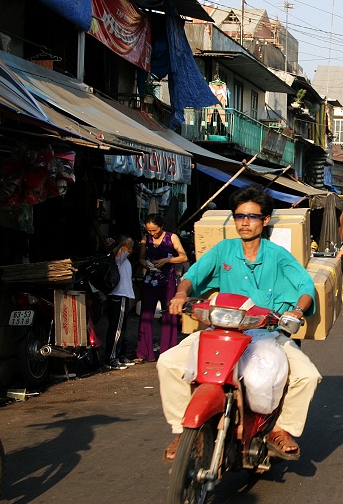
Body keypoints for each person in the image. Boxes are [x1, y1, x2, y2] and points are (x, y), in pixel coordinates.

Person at [162, 185, 320, 462]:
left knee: (307, 376)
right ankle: (182, 431)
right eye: (239, 216)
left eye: (252, 217)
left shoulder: (277, 255)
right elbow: (194, 274)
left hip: (267, 333)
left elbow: (305, 285)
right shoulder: (224, 249)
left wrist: (296, 310)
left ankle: (281, 429)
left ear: (266, 220)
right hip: (221, 330)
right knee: (168, 363)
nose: (245, 222)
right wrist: (181, 292)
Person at [135, 213, 188, 363]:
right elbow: (141, 258)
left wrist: (166, 260)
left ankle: (168, 352)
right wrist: (147, 265)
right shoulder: (146, 239)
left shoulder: (172, 237)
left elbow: (183, 257)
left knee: (169, 315)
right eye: (149, 230)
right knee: (146, 315)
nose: (152, 233)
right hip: (150, 280)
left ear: (161, 226)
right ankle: (143, 353)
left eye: (154, 230)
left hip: (168, 280)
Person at [104, 235, 136, 370]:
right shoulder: (119, 256)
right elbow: (129, 241)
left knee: (121, 328)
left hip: (121, 295)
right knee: (116, 328)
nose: (132, 250)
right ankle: (111, 358)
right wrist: (122, 242)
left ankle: (120, 354)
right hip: (118, 295)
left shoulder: (123, 259)